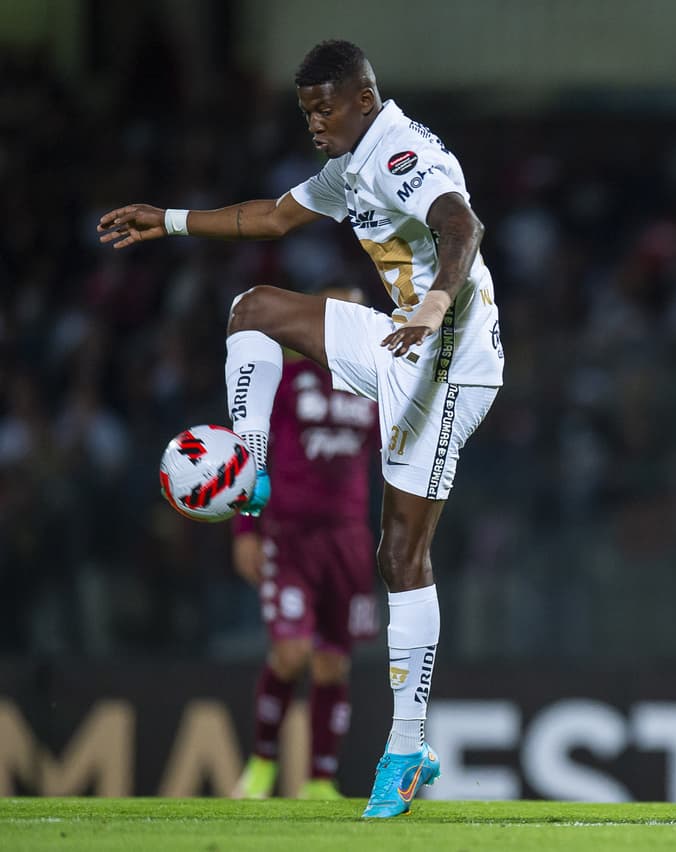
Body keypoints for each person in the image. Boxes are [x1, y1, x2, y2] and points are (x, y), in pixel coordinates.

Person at [98, 40, 503, 818]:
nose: (314, 123)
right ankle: (251, 466)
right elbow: (273, 216)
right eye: (305, 112)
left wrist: (437, 303)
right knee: (252, 310)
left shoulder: (400, 155)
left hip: (450, 361)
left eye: (325, 109)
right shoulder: (351, 163)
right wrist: (171, 220)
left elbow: (463, 227)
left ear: (363, 97)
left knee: (400, 552)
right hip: (397, 343)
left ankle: (407, 747)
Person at [231, 287, 380, 801]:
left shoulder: (375, 387)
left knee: (333, 662)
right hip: (290, 536)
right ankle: (263, 764)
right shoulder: (288, 381)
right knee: (291, 653)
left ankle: (319, 781)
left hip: (348, 540)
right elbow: (255, 453)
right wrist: (246, 530)